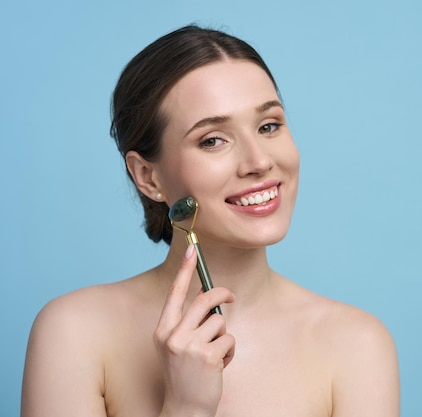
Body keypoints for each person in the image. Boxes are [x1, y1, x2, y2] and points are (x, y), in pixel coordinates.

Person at [21, 25, 400, 417]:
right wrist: (186, 407)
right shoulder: (74, 333)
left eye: (268, 126)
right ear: (148, 177)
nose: (259, 162)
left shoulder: (356, 344)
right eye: (212, 140)